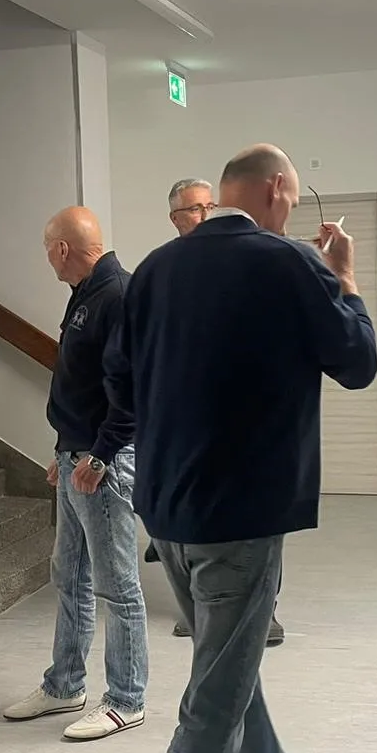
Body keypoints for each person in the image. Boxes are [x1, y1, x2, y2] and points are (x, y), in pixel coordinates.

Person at [112, 144, 377, 753]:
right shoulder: (288, 263)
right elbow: (357, 362)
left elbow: (120, 381)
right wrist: (345, 279)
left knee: (226, 668)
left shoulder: (154, 270)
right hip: (240, 516)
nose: (290, 209)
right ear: (274, 190)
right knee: (214, 704)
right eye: (289, 197)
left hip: (168, 510)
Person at [1, 206, 148, 742]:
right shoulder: (86, 293)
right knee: (70, 575)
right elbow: (83, 385)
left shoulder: (118, 294)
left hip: (102, 464)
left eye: (48, 249)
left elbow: (131, 390)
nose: (48, 259)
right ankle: (64, 684)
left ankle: (126, 699)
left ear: (62, 248)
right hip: (77, 458)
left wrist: (100, 456)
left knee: (118, 585)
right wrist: (65, 451)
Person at [153, 176, 285, 648]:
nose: (205, 214)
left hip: (241, 429)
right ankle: (198, 610)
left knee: (253, 528)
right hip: (184, 430)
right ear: (175, 219)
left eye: (210, 206)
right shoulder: (165, 272)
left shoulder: (242, 262)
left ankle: (264, 611)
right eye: (195, 208)